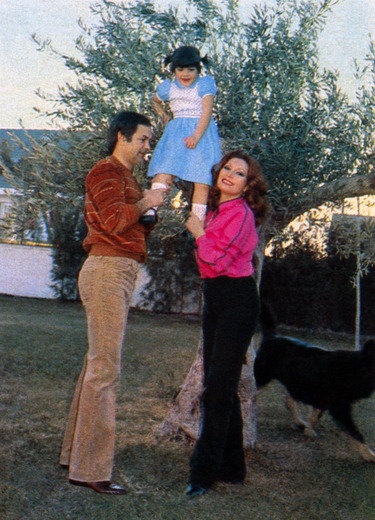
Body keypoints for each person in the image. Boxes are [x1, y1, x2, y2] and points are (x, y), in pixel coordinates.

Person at [59, 111, 166, 495]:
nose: (146, 147)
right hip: (107, 269)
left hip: (118, 269)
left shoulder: (126, 178)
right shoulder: (105, 172)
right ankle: (92, 470)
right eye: (142, 140)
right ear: (121, 136)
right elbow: (114, 219)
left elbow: (132, 223)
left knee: (97, 365)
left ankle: (75, 456)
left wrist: (148, 206)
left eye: (149, 141)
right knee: (106, 370)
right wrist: (146, 202)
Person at [184, 149, 269, 497]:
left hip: (237, 301)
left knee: (217, 389)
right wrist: (203, 234)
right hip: (216, 298)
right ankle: (234, 468)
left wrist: (199, 233)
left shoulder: (242, 215)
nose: (230, 174)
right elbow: (207, 268)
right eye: (227, 168)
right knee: (220, 383)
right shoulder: (219, 213)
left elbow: (215, 261)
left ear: (248, 186)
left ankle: (202, 475)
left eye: (240, 173)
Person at [141, 45, 221, 224]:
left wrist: (196, 136)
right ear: (174, 70)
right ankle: (152, 209)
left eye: (191, 69)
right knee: (164, 169)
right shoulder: (168, 87)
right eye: (180, 69)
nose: (186, 74)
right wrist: (162, 114)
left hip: (201, 132)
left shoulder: (204, 84)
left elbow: (207, 112)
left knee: (201, 178)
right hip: (176, 132)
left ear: (198, 70)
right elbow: (155, 100)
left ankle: (197, 219)